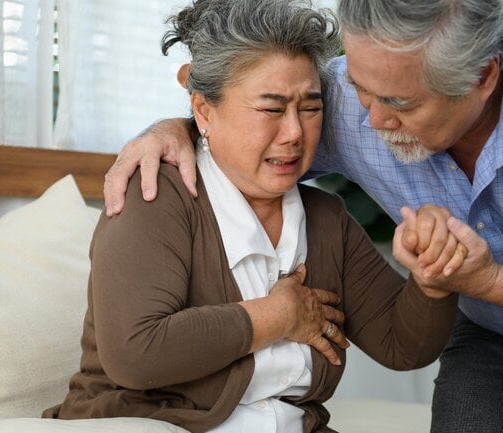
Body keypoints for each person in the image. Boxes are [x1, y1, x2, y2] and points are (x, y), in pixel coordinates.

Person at [104, 0, 503, 432]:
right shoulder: (335, 96)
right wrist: (171, 128)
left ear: (482, 78)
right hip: (502, 335)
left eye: (401, 103)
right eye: (358, 89)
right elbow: (241, 118)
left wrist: (479, 281)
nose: (371, 121)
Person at [44, 1, 463, 432]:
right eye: (271, 108)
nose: (295, 133)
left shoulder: (324, 218)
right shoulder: (155, 195)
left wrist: (431, 280)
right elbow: (136, 353)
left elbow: (402, 346)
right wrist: (277, 316)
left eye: (310, 108)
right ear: (204, 111)